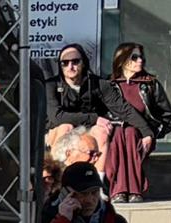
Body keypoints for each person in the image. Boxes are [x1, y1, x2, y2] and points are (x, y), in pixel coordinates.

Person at [46, 43, 152, 173]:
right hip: (58, 130)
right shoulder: (51, 85)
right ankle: (56, 181)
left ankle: (97, 185)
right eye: (65, 63)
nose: (70, 66)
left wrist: (146, 132)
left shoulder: (98, 84)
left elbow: (124, 109)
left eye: (75, 61)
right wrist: (95, 118)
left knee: (101, 132)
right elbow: (57, 117)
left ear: (83, 62)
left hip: (87, 129)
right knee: (65, 127)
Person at [106, 43, 171, 203]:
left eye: (141, 57)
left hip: (143, 135)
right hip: (114, 135)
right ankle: (123, 190)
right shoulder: (110, 84)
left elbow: (166, 114)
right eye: (135, 57)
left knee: (130, 133)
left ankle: (129, 190)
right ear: (122, 60)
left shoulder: (150, 84)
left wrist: (152, 133)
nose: (140, 61)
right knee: (120, 133)